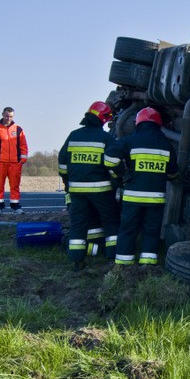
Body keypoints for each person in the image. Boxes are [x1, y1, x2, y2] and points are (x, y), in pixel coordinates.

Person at [105, 107, 178, 266]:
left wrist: (121, 173)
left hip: (133, 197)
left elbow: (109, 158)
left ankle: (123, 266)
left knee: (128, 230)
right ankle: (147, 265)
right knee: (151, 232)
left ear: (137, 123)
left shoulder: (130, 140)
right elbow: (173, 173)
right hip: (156, 199)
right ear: (159, 124)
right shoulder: (166, 144)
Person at [58, 101, 121, 270]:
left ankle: (77, 261)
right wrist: (118, 180)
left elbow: (62, 163)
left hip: (77, 190)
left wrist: (67, 181)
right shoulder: (106, 138)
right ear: (103, 119)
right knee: (110, 222)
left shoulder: (73, 135)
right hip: (102, 190)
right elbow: (113, 163)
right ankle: (112, 259)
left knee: (78, 225)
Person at [0, 107, 28, 214]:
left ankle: (15, 205)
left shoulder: (18, 129)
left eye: (10, 116)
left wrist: (22, 160)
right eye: (6, 116)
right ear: (2, 115)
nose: (8, 118)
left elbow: (23, 145)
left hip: (15, 163)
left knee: (15, 185)